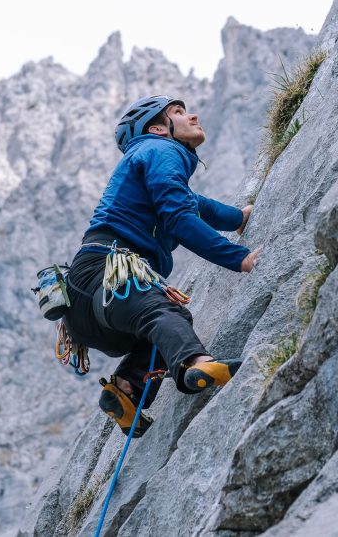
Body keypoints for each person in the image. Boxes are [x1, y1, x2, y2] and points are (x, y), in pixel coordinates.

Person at [63, 95, 260, 437]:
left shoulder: (147, 162)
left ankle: (127, 392)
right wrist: (238, 258)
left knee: (166, 324)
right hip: (108, 273)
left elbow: (195, 205)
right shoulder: (160, 149)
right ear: (158, 128)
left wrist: (236, 218)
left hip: (84, 311)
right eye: (179, 113)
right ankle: (199, 365)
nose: (193, 115)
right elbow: (180, 217)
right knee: (162, 312)